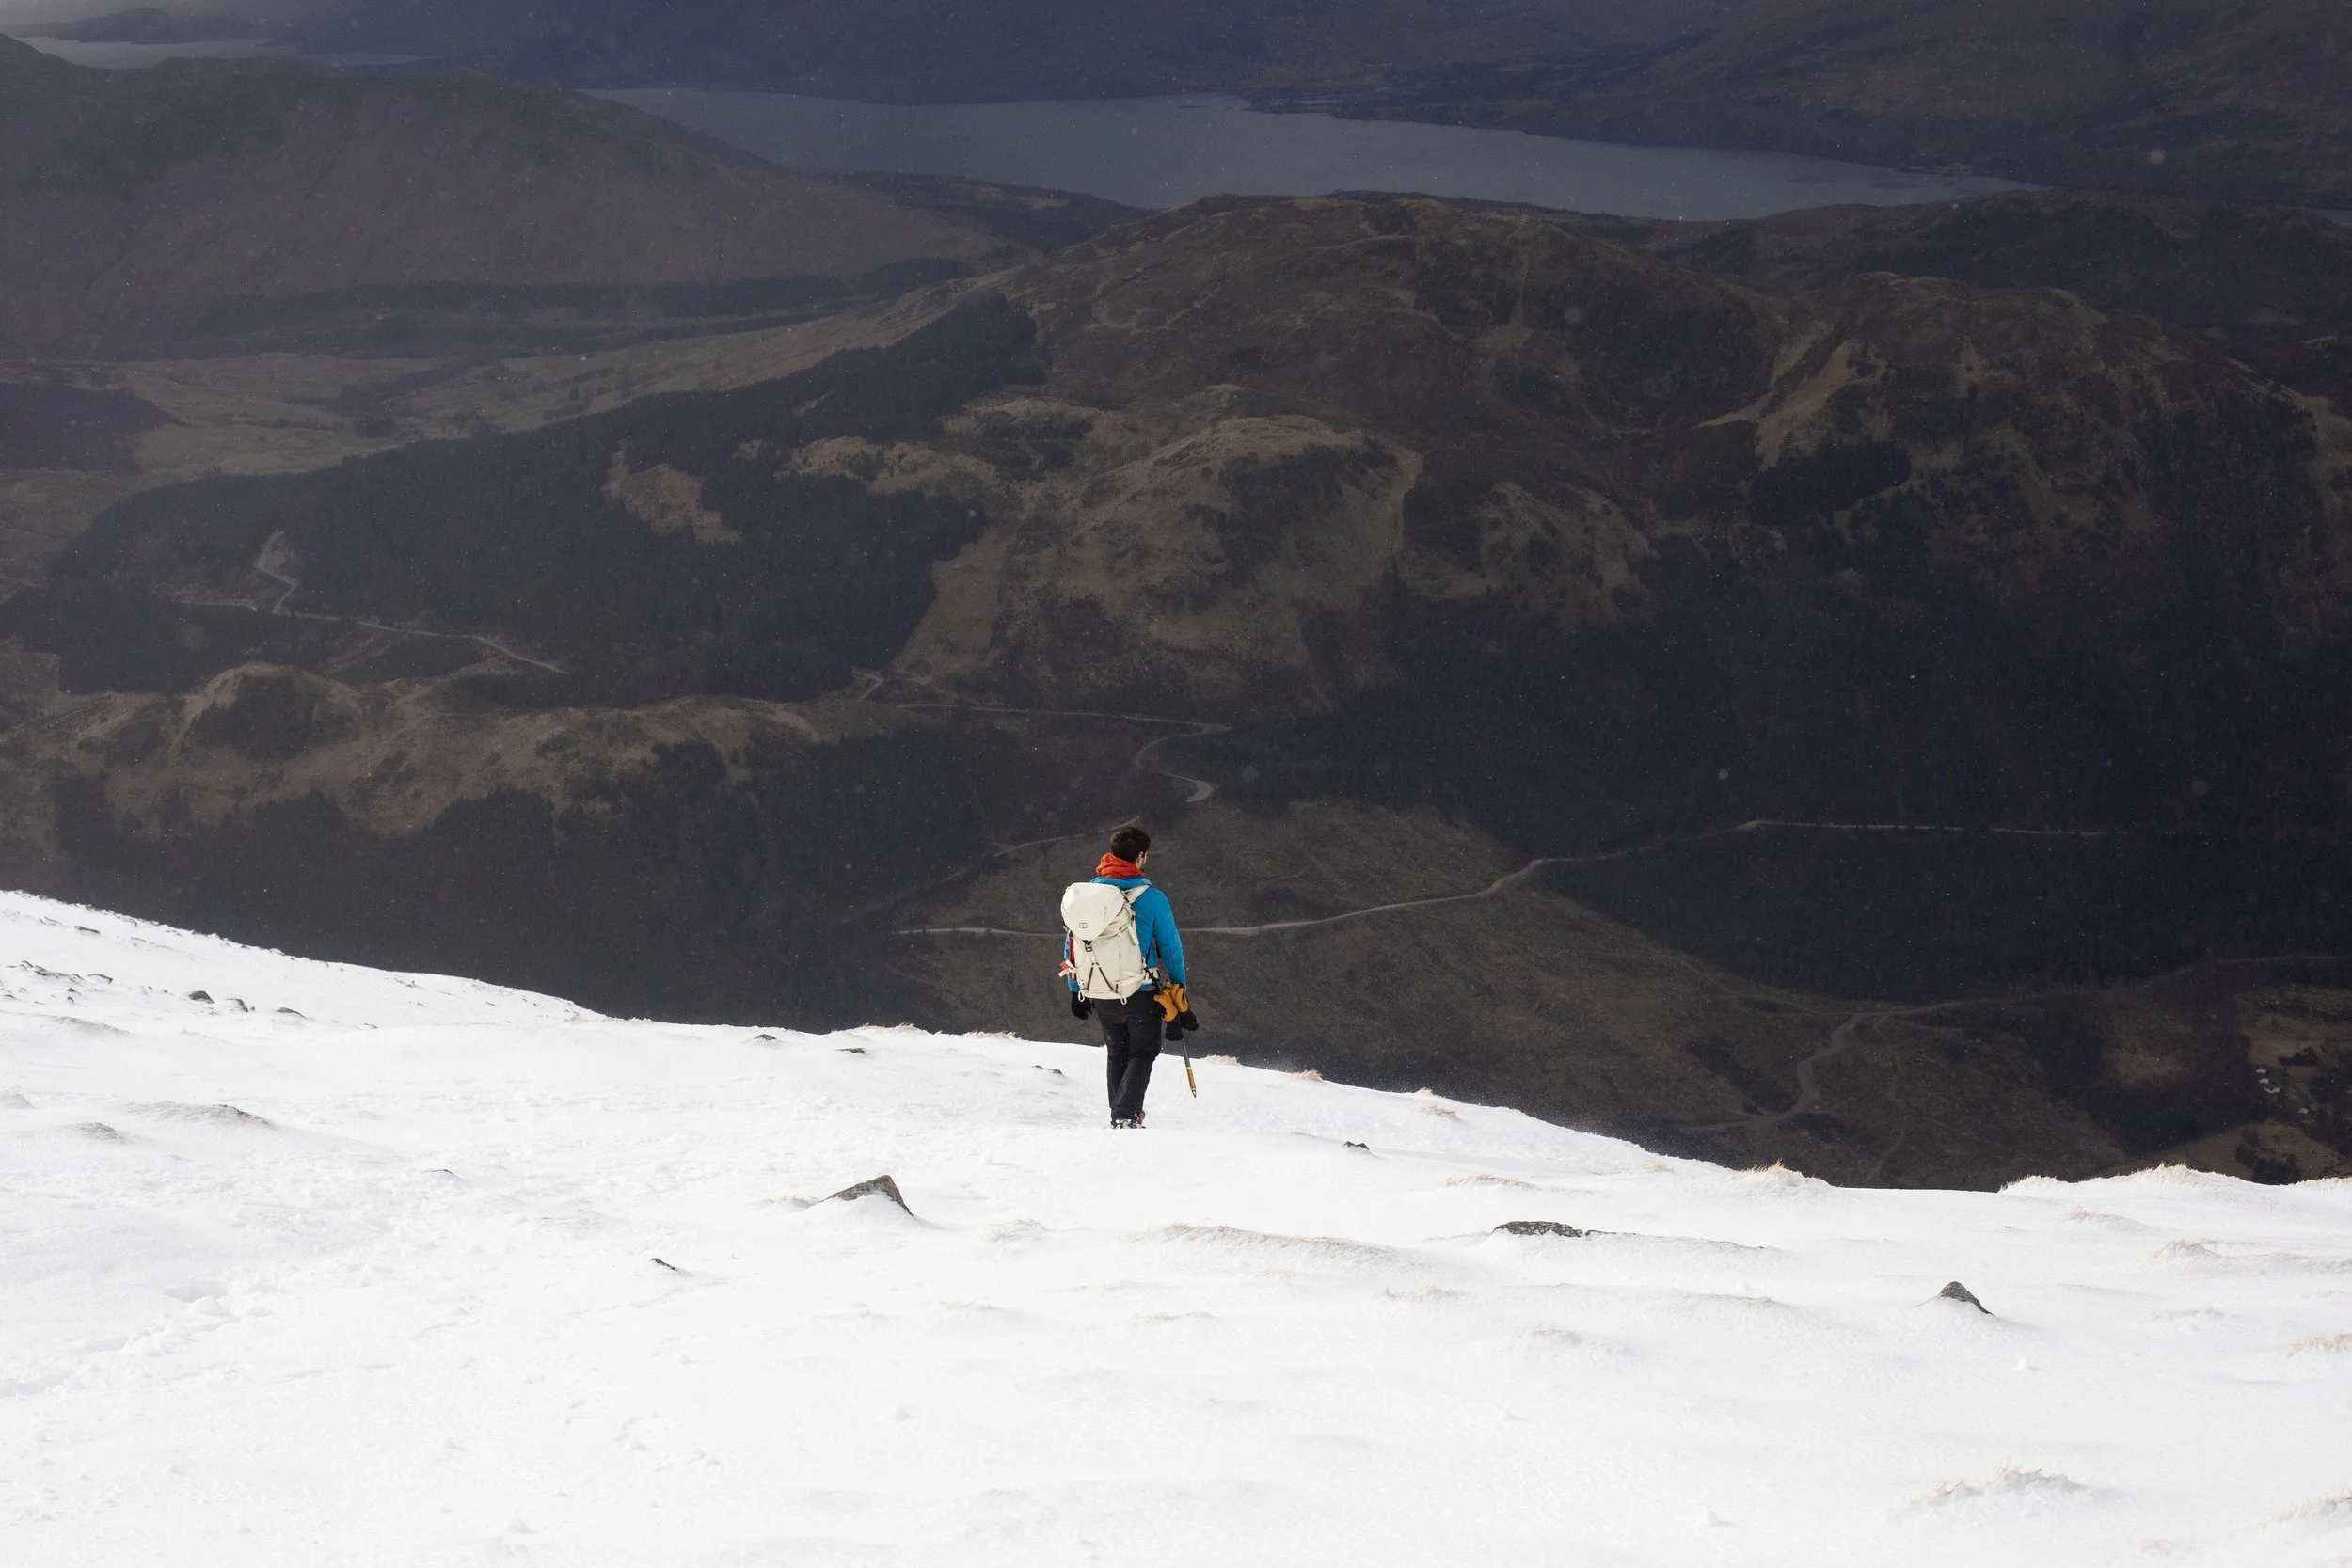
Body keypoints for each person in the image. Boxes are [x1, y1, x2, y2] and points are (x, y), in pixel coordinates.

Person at [1064, 825, 1188, 1128]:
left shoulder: (1087, 895)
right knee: (1143, 1052)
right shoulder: (1152, 898)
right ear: (1141, 857)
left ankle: (1122, 1115)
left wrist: (1074, 988)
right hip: (1139, 992)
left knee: (1117, 1052)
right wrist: (1179, 989)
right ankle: (1125, 1116)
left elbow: (1072, 942)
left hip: (1098, 990)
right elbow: (1171, 949)